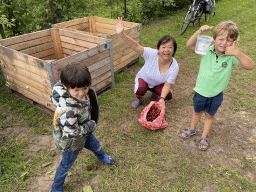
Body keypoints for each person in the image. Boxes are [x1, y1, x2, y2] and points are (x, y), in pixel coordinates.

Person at [180, 21, 255, 150]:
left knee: (209, 116)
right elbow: (189, 45)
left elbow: (250, 66)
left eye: (229, 40)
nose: (224, 43)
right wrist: (199, 31)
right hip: (201, 91)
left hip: (216, 95)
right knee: (197, 112)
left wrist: (237, 53)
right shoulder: (205, 50)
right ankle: (192, 129)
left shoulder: (231, 57)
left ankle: (204, 136)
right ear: (214, 39)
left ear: (234, 43)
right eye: (221, 39)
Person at [50, 62, 114, 192]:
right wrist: (89, 126)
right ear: (66, 87)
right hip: (71, 142)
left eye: (85, 88)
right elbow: (71, 132)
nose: (81, 93)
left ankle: (101, 156)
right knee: (65, 166)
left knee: (96, 145)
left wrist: (87, 127)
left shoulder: (77, 91)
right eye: (76, 90)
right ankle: (55, 188)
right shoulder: (68, 110)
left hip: (84, 132)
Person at [115, 17, 179, 108]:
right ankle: (139, 98)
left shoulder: (174, 66)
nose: (166, 50)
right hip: (144, 79)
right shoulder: (151, 53)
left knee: (168, 95)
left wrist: (161, 99)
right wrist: (122, 34)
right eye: (163, 47)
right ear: (158, 49)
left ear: (174, 50)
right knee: (140, 89)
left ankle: (156, 94)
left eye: (170, 47)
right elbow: (136, 46)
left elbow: (168, 84)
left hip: (157, 83)